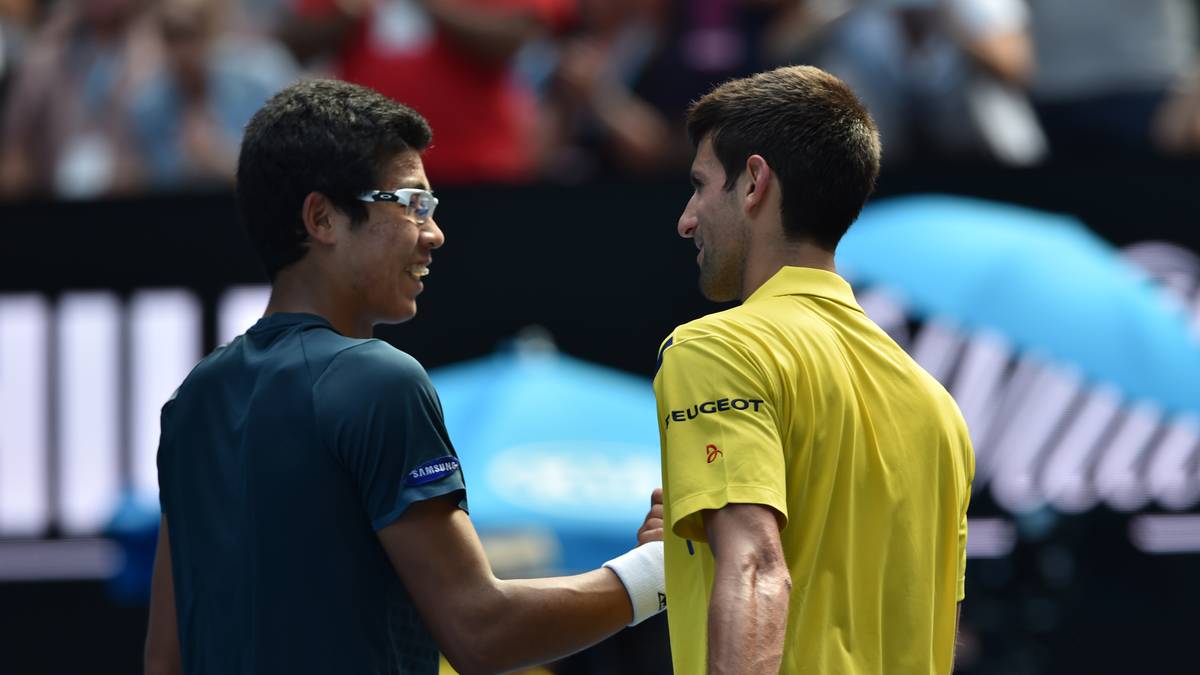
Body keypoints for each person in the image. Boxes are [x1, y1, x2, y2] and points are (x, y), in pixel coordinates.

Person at [143, 79, 665, 675]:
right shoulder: (378, 380)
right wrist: (656, 574)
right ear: (323, 218)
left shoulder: (192, 400)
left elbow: (164, 661)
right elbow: (482, 630)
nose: (434, 233)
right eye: (413, 204)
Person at [653, 65, 975, 674]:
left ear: (753, 182)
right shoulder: (938, 406)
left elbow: (754, 566)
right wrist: (685, 553)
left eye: (700, 186)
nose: (687, 218)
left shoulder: (715, 349)